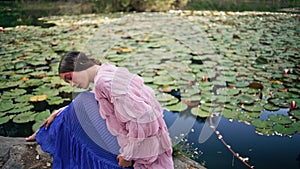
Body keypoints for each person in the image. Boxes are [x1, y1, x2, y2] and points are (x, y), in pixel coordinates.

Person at [27, 51, 174, 169]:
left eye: (69, 77)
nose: (72, 84)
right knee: (78, 103)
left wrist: (128, 155)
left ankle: (45, 134)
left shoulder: (104, 83)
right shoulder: (108, 71)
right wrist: (60, 110)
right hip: (153, 141)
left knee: (77, 107)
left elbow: (145, 120)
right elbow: (101, 100)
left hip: (142, 147)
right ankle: (46, 132)